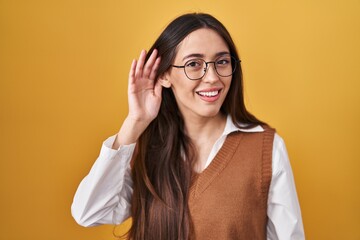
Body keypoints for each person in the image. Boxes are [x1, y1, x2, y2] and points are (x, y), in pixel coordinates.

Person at [71, 13, 305, 240]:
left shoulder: (266, 148)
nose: (212, 77)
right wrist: (135, 123)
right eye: (194, 64)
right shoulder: (142, 150)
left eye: (222, 62)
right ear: (164, 76)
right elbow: (89, 213)